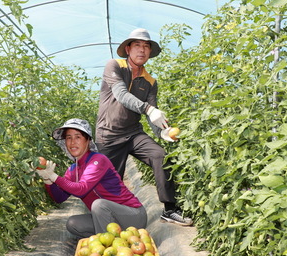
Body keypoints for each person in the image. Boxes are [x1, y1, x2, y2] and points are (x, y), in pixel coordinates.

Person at [95, 28, 192, 226]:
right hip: (109, 135)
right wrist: (148, 109)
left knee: (160, 156)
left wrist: (161, 130)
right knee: (110, 184)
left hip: (133, 134)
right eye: (137, 45)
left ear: (150, 52)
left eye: (146, 46)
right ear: (128, 48)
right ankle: (109, 220)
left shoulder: (150, 82)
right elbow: (121, 95)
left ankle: (170, 209)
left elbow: (152, 113)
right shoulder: (114, 66)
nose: (142, 50)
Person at [35, 118, 148, 239]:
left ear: (88, 140)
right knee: (73, 224)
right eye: (68, 138)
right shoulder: (73, 170)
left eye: (78, 137)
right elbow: (59, 197)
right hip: (107, 218)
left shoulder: (98, 160)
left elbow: (82, 189)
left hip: (133, 215)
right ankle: (117, 238)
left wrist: (54, 177)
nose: (73, 142)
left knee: (99, 205)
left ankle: (109, 245)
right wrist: (48, 181)